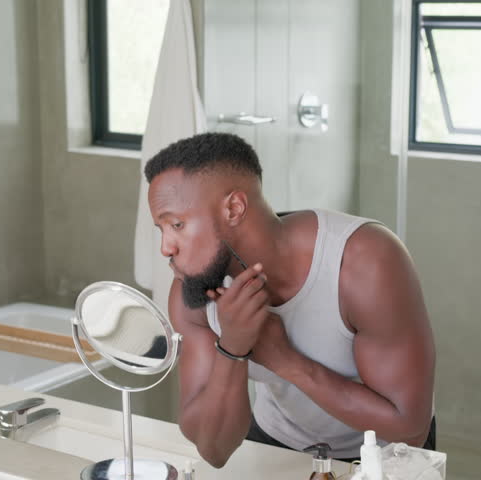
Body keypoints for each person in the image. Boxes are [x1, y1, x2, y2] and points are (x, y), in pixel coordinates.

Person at [145, 133, 435, 467]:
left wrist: (283, 359)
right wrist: (233, 348)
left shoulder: (364, 261)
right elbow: (214, 450)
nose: (166, 248)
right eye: (161, 229)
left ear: (234, 208)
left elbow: (409, 429)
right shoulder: (194, 289)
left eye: (177, 225)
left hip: (382, 455)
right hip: (279, 441)